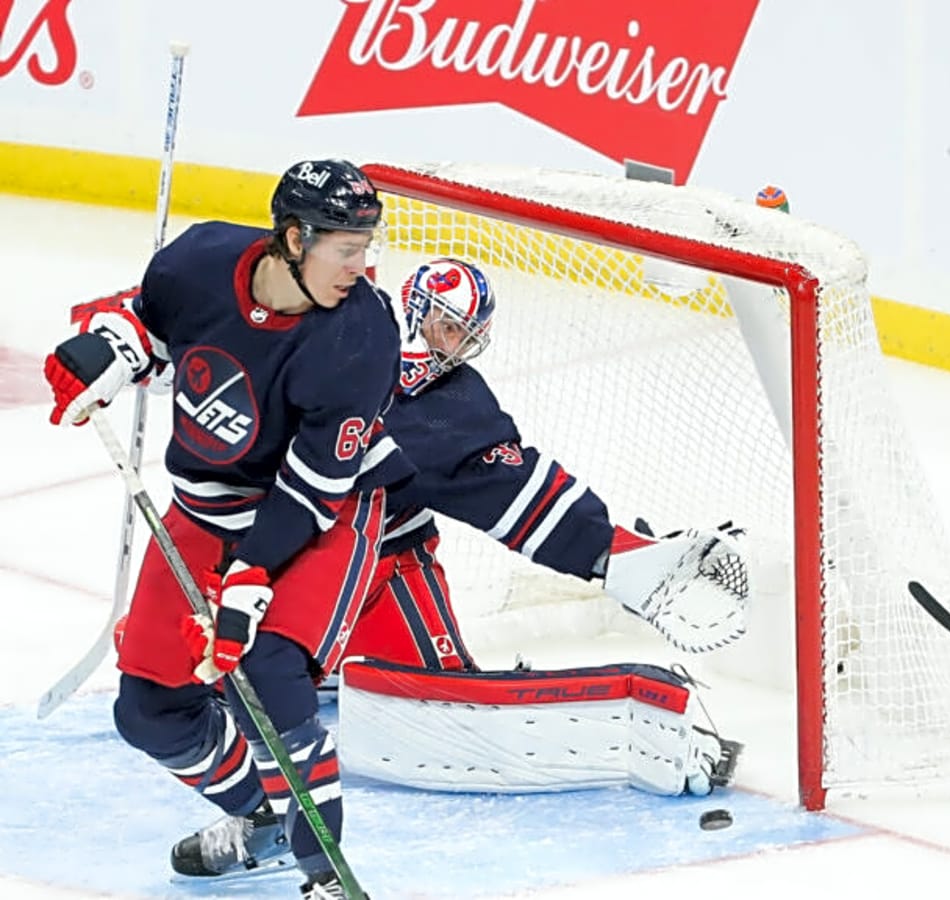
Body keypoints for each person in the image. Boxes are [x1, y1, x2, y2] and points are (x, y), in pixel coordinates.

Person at [163, 256, 748, 880]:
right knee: (183, 673)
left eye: (467, 335)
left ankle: (650, 727)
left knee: (446, 710)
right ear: (415, 312)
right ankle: (264, 807)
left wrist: (614, 552)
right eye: (447, 327)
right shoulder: (334, 336)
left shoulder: (450, 404)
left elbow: (514, 487)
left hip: (385, 567)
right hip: (283, 561)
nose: (454, 345)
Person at [44, 159, 410, 900]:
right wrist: (107, 355)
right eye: (346, 248)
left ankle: (322, 875)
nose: (360, 266)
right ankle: (266, 816)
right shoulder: (200, 260)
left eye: (365, 247)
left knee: (268, 670)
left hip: (322, 517)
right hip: (205, 510)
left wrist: (249, 578)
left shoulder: (362, 331)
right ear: (294, 238)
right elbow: (148, 324)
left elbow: (312, 488)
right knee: (149, 713)